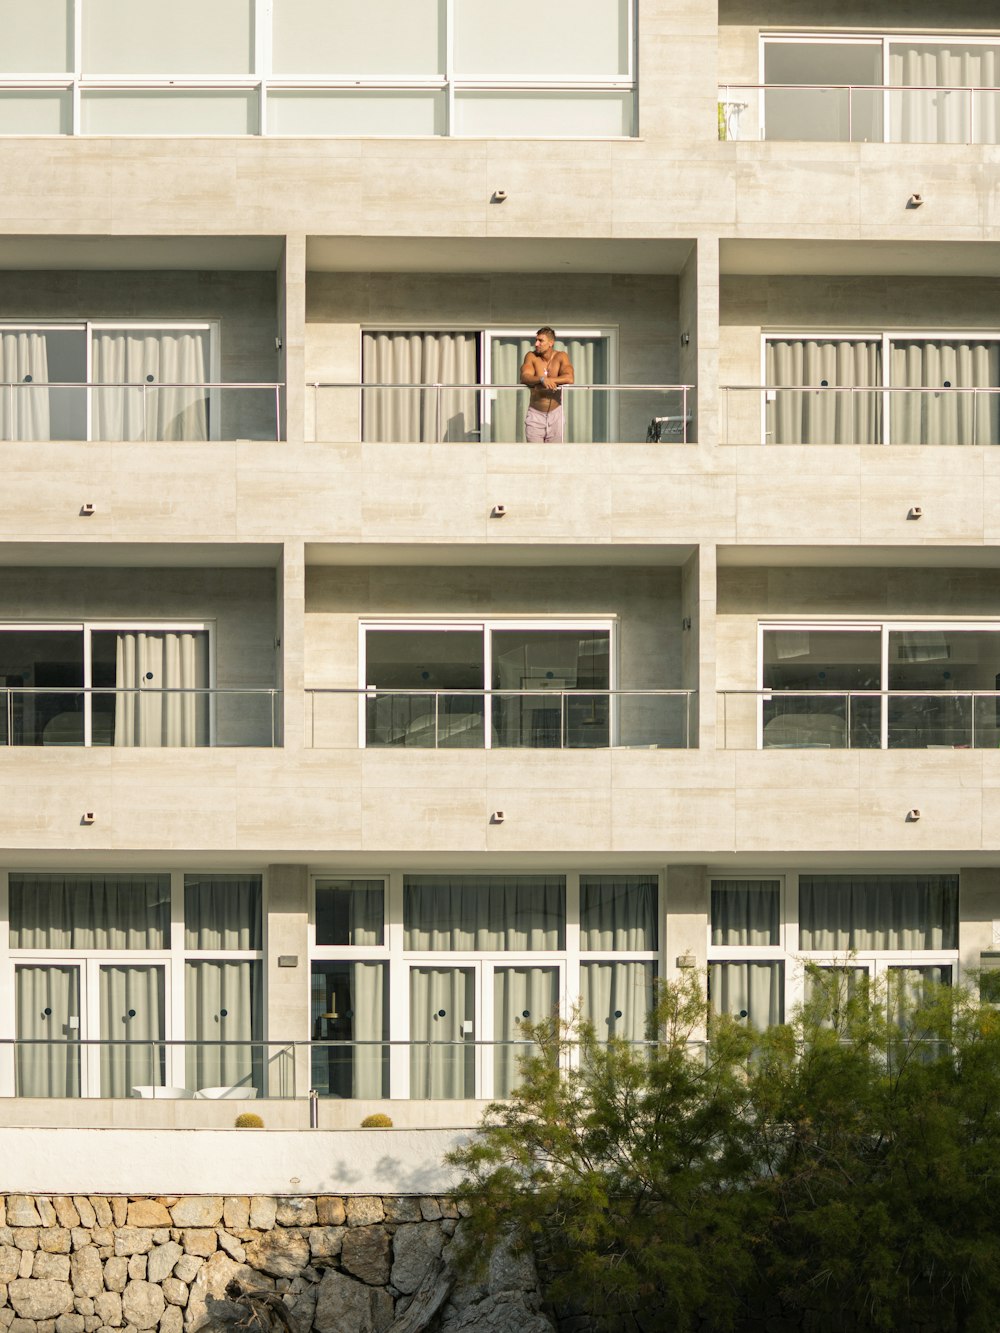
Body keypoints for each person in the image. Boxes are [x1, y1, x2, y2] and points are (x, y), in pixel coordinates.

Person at [520, 327, 574, 443]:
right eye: (536, 340)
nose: (536, 344)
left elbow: (569, 378)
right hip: (535, 413)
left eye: (540, 341)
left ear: (551, 343)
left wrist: (550, 380)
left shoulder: (561, 356)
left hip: (556, 414)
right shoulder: (531, 356)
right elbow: (525, 377)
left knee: (554, 454)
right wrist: (541, 379)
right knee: (535, 454)